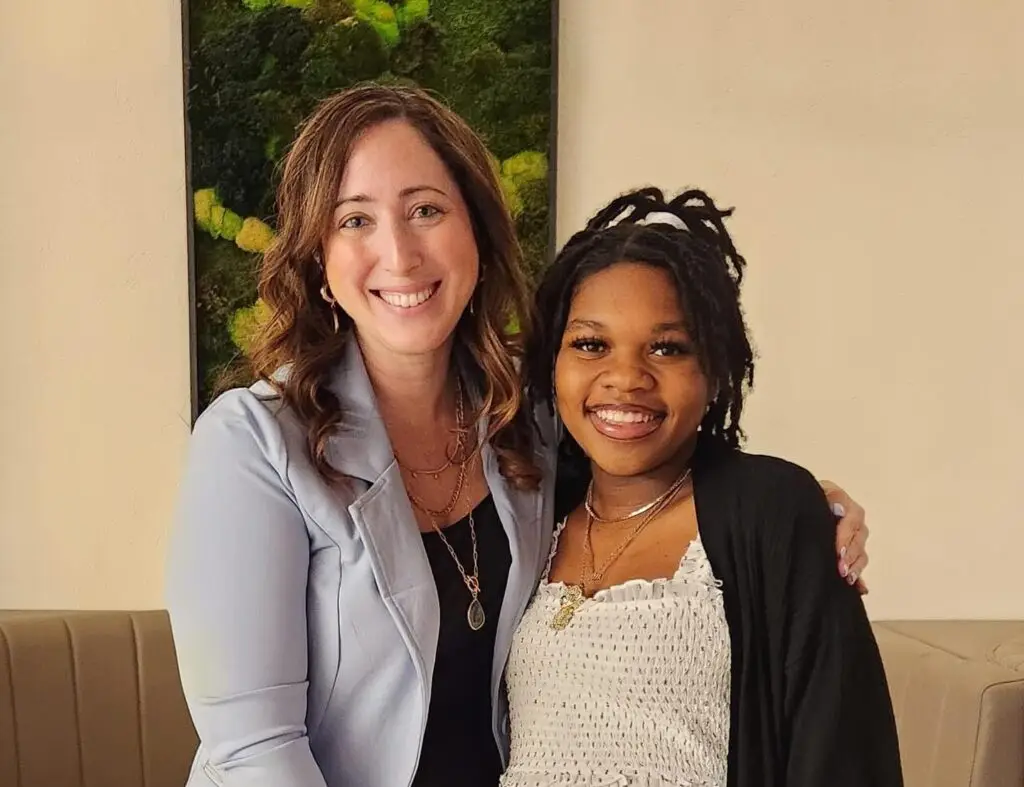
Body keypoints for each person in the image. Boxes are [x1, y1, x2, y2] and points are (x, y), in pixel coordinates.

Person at [165, 85, 872, 787]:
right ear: (320, 261)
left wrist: (796, 505)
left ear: (476, 231)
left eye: (425, 210)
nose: (399, 253)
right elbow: (255, 749)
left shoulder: (526, 420)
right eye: (355, 220)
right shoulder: (253, 442)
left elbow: (648, 457)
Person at [502, 187, 902, 787]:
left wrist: (803, 512)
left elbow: (844, 752)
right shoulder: (525, 512)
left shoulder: (771, 512)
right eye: (591, 344)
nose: (626, 378)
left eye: (667, 348)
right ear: (551, 365)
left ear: (713, 371)